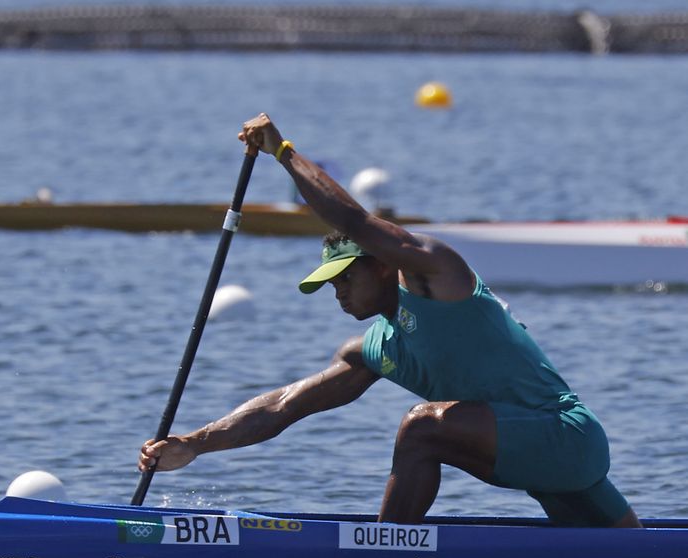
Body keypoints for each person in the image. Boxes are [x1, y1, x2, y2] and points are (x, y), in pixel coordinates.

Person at [138, 112, 641, 528]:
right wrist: (194, 444)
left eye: (344, 279)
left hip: (565, 436)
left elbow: (355, 223)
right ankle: (389, 546)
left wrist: (283, 152)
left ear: (382, 265)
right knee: (634, 554)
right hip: (543, 462)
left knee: (421, 428)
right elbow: (284, 406)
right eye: (331, 284)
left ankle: (386, 548)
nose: (337, 293)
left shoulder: (436, 276)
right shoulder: (374, 349)